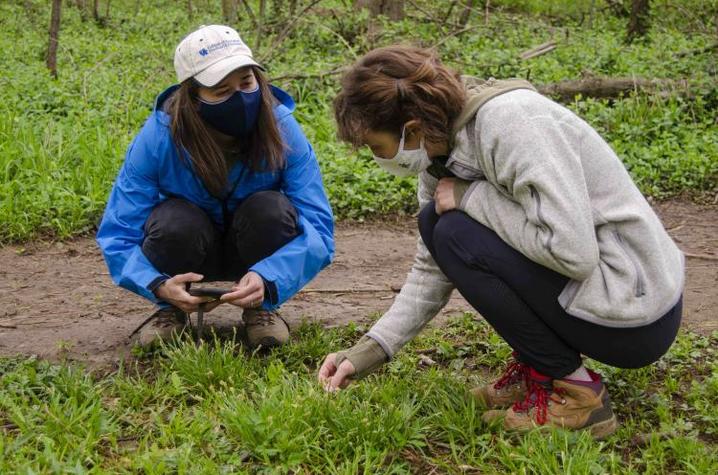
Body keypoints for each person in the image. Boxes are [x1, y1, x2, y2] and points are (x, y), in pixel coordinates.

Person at [318, 45, 684, 439]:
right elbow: (432, 267)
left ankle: (581, 399)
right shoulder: (440, 151)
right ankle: (541, 374)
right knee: (438, 223)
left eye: (376, 147)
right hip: (603, 297)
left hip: (636, 311)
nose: (377, 158)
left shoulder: (512, 123)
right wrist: (372, 349)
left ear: (412, 128)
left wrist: (471, 198)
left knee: (456, 231)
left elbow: (572, 253)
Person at [97, 25, 334, 349]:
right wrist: (156, 284)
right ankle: (171, 307)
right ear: (193, 98)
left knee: (271, 210)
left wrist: (270, 276)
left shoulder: (282, 129)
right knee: (173, 221)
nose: (239, 97)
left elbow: (319, 227)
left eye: (246, 82)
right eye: (222, 91)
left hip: (253, 248)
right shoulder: (158, 138)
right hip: (189, 247)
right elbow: (118, 233)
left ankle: (261, 307)